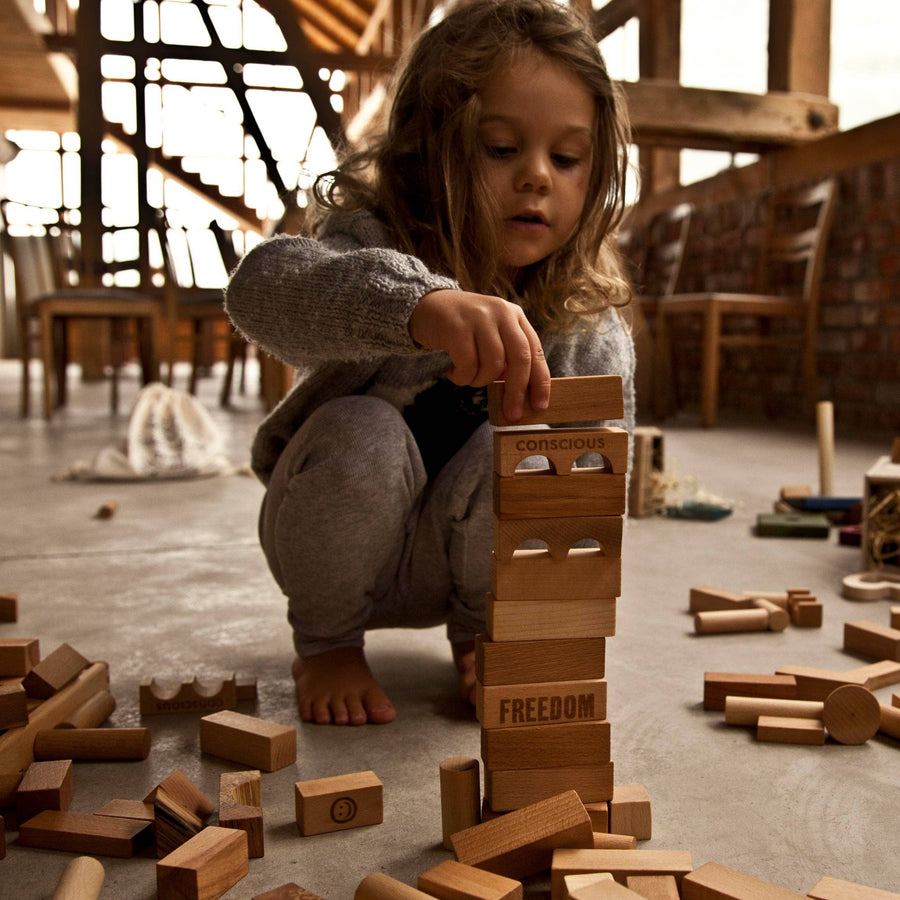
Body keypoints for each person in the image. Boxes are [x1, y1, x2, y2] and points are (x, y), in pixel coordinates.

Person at [225, 0, 635, 727]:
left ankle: (482, 633)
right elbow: (260, 289)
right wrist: (414, 307)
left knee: (526, 452)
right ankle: (326, 645)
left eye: (567, 159)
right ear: (425, 150)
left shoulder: (581, 322)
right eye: (501, 148)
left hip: (468, 567)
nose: (537, 177)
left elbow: (590, 500)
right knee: (364, 430)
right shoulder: (374, 243)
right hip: (334, 541)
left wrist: (539, 626)